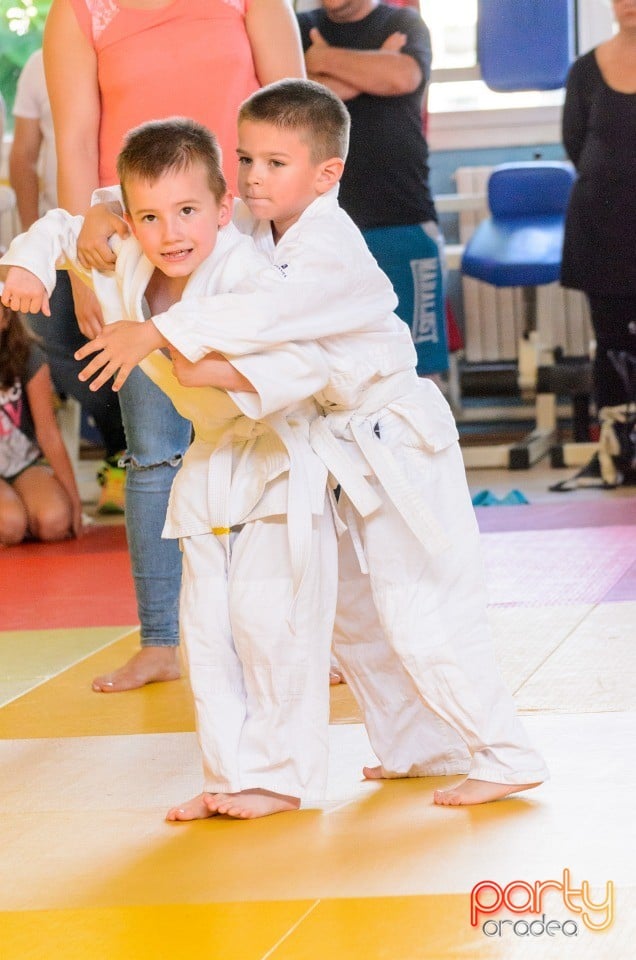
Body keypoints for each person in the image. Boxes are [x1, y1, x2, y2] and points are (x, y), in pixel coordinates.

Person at [74, 79, 549, 807]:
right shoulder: (265, 231)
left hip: (397, 440)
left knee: (422, 604)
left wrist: (156, 332)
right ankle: (420, 746)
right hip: (338, 448)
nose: (255, 178)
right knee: (353, 614)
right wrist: (103, 207)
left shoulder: (327, 245)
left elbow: (267, 313)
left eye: (275, 163)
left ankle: (505, 752)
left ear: (326, 174)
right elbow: (180, 195)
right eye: (248, 160)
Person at [0, 117, 338, 820]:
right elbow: (64, 226)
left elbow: (307, 369)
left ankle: (280, 776)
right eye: (150, 216)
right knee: (206, 629)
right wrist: (29, 263)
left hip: (278, 460)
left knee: (265, 621)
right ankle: (228, 777)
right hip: (211, 463)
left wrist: (176, 349)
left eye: (188, 212)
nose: (171, 232)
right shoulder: (127, 254)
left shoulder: (249, 275)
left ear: (223, 210)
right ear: (129, 219)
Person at [42, 0, 305, 693]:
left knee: (279, 435)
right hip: (140, 248)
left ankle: (301, 628)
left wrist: (300, 242)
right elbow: (73, 141)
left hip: (244, 236)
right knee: (155, 449)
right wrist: (80, 267)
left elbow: (296, 113)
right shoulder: (80, 13)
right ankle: (163, 639)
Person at [296, 0, 448, 380]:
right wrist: (373, 65)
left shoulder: (403, 22)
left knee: (416, 372)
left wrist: (324, 59)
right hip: (320, 231)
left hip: (402, 220)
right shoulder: (299, 27)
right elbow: (298, 103)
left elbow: (401, 77)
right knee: (335, 374)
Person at [9, 48, 127, 512]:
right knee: (62, 346)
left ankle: (145, 458)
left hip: (136, 227)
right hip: (62, 236)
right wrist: (30, 234)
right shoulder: (42, 63)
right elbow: (24, 152)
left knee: (142, 350)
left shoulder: (133, 43)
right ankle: (122, 448)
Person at [560, 0, 636, 483]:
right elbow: (573, 142)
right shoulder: (585, 69)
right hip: (601, 226)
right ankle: (618, 453)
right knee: (610, 342)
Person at [0, 293, 82, 545]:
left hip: (21, 463)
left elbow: (48, 433)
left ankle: (22, 502)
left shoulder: (28, 355)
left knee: (55, 522)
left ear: (6, 317)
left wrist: (74, 502)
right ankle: (15, 510)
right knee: (10, 525)